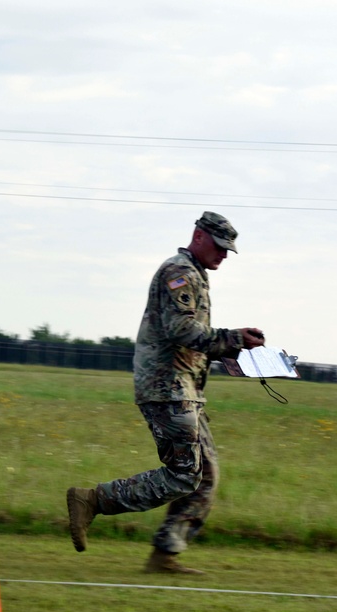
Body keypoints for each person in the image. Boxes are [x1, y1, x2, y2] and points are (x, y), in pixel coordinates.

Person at [66, 211, 264, 574]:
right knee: (185, 474)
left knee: (205, 476)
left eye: (228, 250)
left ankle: (165, 555)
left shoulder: (196, 276)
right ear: (198, 236)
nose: (223, 255)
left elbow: (194, 340)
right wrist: (233, 338)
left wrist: (235, 349)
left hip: (184, 388)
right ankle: (93, 500)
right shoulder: (180, 273)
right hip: (167, 389)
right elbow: (180, 330)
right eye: (219, 247)